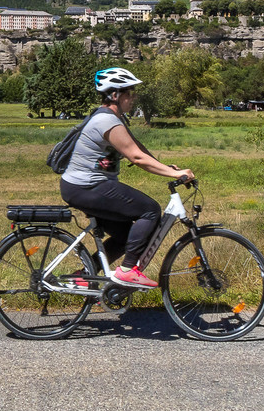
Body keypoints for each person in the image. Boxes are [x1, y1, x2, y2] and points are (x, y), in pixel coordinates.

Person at [58, 67, 194, 290]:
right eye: (129, 93)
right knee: (150, 210)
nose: (133, 97)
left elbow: (137, 148)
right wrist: (175, 174)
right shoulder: (106, 121)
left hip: (85, 186)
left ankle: (84, 275)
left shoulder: (113, 118)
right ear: (115, 96)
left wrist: (167, 168)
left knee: (127, 237)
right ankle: (128, 270)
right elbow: (137, 157)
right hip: (85, 187)